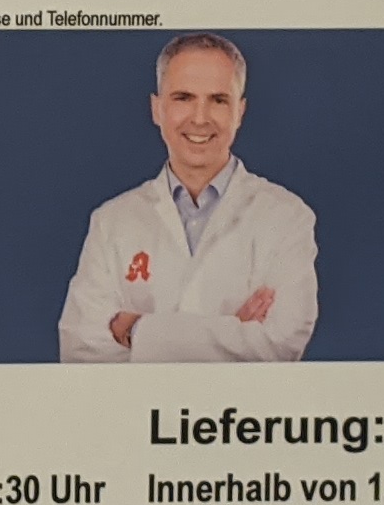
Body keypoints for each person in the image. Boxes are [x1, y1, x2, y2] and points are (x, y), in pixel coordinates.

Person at [56, 33, 319, 362]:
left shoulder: (287, 217)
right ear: (157, 109)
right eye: (183, 98)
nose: (199, 118)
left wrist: (136, 330)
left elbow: (280, 344)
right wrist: (232, 332)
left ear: (240, 111)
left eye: (218, 100)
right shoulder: (112, 221)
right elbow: (81, 351)